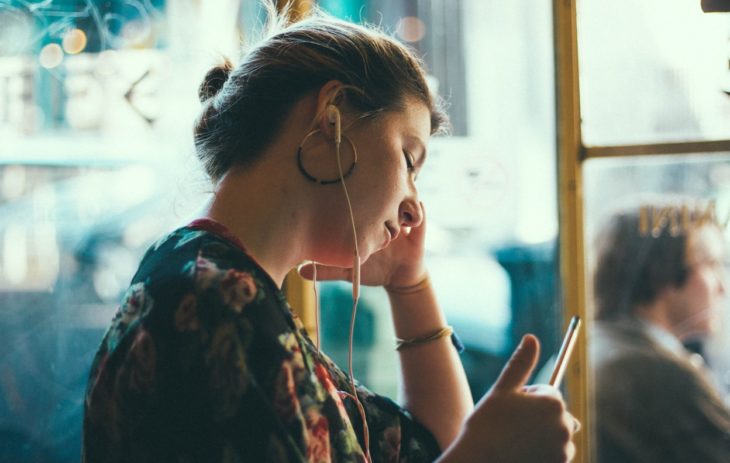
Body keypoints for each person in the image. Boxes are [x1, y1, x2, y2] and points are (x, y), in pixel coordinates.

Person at [82, 3, 577, 462]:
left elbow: (431, 445)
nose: (414, 207)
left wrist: (410, 283)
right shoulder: (223, 303)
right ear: (331, 119)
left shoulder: (206, 275)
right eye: (408, 159)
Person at [590, 201, 730, 462]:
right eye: (710, 264)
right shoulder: (656, 373)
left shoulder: (599, 346)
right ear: (663, 272)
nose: (722, 286)